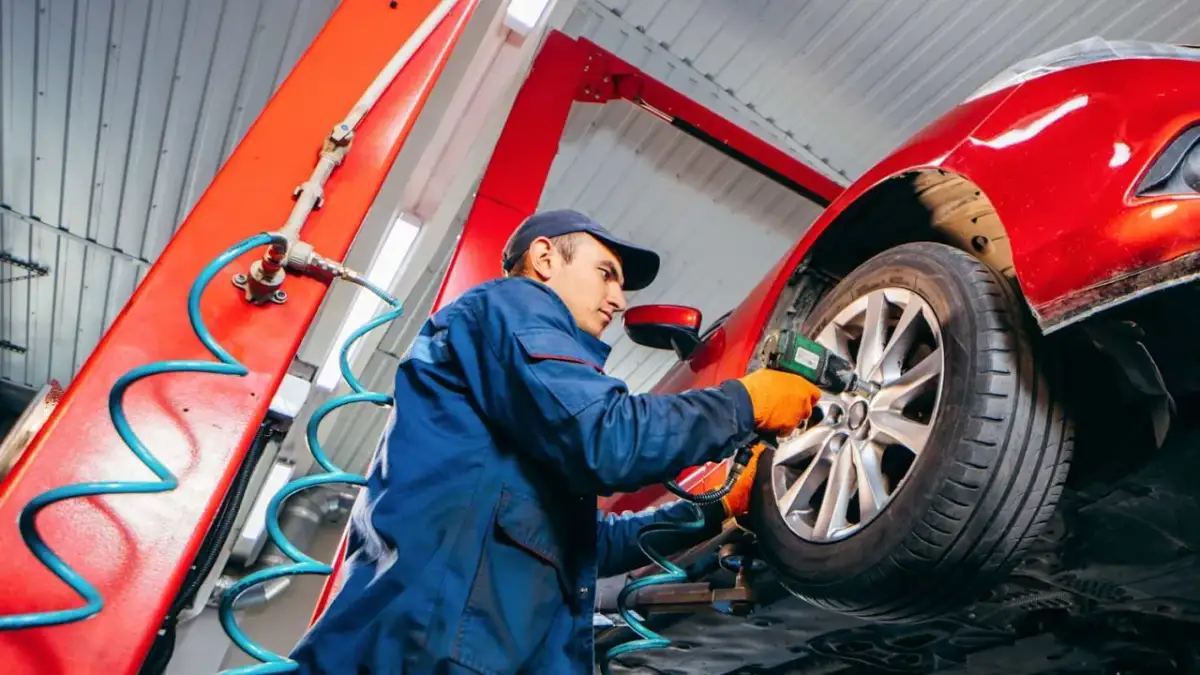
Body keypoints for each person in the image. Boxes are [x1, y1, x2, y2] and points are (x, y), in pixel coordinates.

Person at [289, 209, 822, 674]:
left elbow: (592, 543)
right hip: (428, 650)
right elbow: (609, 439)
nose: (618, 298)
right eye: (606, 273)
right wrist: (744, 403)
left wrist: (712, 511)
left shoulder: (520, 411)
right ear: (544, 258)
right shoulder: (513, 306)